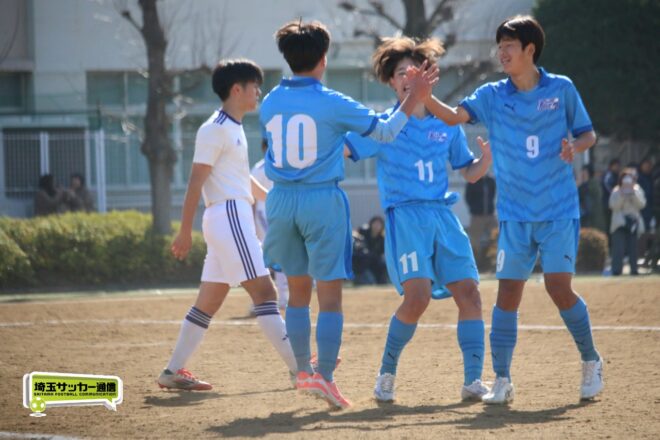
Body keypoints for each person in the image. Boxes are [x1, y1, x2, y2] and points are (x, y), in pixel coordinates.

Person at [422, 15, 604, 403]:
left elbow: (588, 133)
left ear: (529, 49)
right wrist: (423, 96)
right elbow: (454, 117)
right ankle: (502, 379)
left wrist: (575, 147)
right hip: (514, 214)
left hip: (557, 209)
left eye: (509, 46)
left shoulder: (562, 88)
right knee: (507, 293)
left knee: (558, 287)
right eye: (499, 46)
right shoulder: (492, 95)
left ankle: (591, 360)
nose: (501, 53)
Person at [259, 19, 437, 408]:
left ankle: (303, 371)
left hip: (281, 200)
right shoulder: (332, 101)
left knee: (298, 294)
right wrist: (415, 95)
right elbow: (386, 131)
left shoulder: (269, 101)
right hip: (321, 200)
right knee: (330, 298)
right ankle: (324, 376)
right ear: (323, 58)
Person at [345, 36, 492, 403]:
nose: (409, 78)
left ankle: (473, 381)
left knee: (470, 295)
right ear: (390, 82)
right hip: (406, 218)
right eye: (400, 73)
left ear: (429, 76)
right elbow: (346, 148)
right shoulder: (385, 125)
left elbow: (468, 171)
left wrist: (486, 161)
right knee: (417, 299)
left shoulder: (448, 124)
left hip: (442, 215)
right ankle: (386, 374)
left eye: (415, 71)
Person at [157, 59, 297, 391]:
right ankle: (301, 368)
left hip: (230, 217)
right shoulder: (215, 128)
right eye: (255, 86)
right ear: (237, 90)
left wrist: (271, 200)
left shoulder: (232, 127)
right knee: (265, 292)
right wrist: (184, 230)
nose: (259, 92)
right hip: (229, 216)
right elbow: (195, 181)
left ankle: (172, 372)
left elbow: (240, 179)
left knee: (209, 302)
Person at [250, 139, 289, 312]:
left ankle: (283, 298)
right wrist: (251, 221)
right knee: (264, 256)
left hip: (281, 214)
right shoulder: (259, 168)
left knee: (281, 255)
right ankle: (261, 299)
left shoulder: (284, 166)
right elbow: (252, 196)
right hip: (264, 215)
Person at [609, 168, 646, 276]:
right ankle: (616, 270)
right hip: (619, 223)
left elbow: (642, 205)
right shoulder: (616, 191)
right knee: (618, 248)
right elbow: (613, 206)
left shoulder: (637, 189)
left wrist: (633, 193)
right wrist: (622, 194)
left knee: (633, 247)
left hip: (633, 222)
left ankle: (634, 269)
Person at [465, 173, 497, 271]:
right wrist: (475, 209)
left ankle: (495, 263)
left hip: (490, 215)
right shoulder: (472, 181)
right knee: (474, 241)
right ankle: (474, 264)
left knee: (496, 237)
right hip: (477, 216)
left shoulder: (491, 180)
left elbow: (492, 194)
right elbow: (468, 197)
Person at [353, 216, 388, 285]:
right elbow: (354, 233)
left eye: (379, 224)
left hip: (375, 263)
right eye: (375, 224)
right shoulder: (363, 231)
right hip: (362, 262)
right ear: (371, 224)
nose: (376, 226)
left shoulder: (382, 239)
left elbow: (382, 254)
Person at [578, 164, 606, 233]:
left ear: (589, 173)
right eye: (582, 172)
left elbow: (585, 191)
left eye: (584, 173)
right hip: (586, 218)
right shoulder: (584, 185)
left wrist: (581, 183)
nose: (582, 175)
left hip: (593, 219)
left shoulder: (593, 184)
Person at [602, 158, 621, 239]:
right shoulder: (609, 175)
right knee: (608, 224)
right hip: (608, 204)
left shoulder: (617, 175)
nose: (617, 167)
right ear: (611, 166)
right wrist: (615, 194)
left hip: (615, 204)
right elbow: (607, 186)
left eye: (618, 166)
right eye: (616, 166)